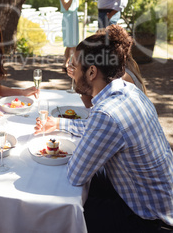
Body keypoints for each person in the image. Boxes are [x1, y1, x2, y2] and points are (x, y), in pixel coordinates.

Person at [35, 25, 173, 232]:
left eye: (75, 66)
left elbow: (75, 174)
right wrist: (59, 123)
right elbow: (99, 128)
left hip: (148, 220)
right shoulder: (128, 91)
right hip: (160, 202)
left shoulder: (107, 113)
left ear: (91, 71)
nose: (71, 72)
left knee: (56, 212)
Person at [59, 0, 79, 69]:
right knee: (71, 44)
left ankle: (65, 64)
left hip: (74, 17)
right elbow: (66, 6)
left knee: (72, 43)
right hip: (68, 17)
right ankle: (72, 65)